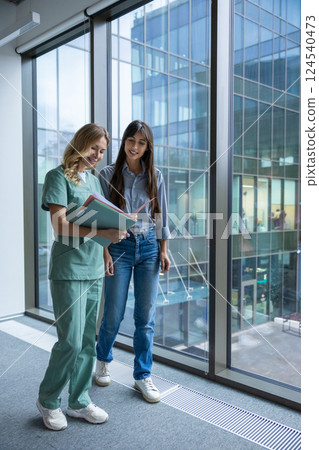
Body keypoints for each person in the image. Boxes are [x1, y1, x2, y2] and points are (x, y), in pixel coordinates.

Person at [37, 124, 128, 431]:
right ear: (80, 144)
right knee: (71, 342)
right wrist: (104, 232)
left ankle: (78, 401)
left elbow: (99, 220)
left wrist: (106, 251)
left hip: (93, 268)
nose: (97, 157)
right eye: (94, 149)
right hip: (68, 270)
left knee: (88, 340)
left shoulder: (93, 182)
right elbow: (60, 226)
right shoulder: (57, 177)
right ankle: (48, 400)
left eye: (102, 152)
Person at [95, 120, 170, 403]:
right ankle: (102, 359)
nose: (134, 147)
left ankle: (143, 375)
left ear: (148, 147)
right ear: (124, 141)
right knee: (113, 311)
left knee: (145, 317)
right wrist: (104, 250)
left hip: (149, 246)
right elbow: (99, 216)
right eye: (130, 140)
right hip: (118, 247)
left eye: (141, 143)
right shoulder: (107, 174)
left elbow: (161, 214)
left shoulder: (156, 176)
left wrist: (163, 250)